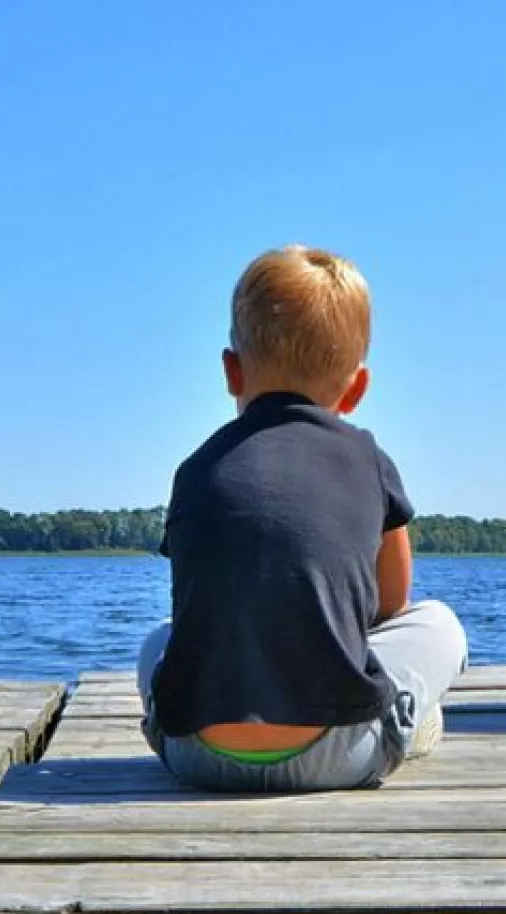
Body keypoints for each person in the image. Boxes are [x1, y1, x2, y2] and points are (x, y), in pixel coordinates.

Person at [135, 245, 468, 792]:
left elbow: (195, 602)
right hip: (336, 752)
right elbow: (390, 604)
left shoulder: (195, 470)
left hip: (195, 752)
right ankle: (405, 721)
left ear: (231, 371)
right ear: (357, 388)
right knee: (440, 624)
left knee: (158, 640)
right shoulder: (367, 460)